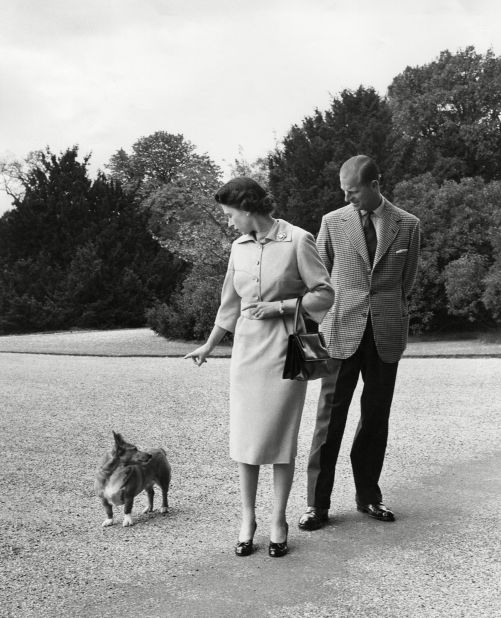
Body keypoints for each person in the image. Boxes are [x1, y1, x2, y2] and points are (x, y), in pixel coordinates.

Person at [185, 177, 333, 557]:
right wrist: (208, 345)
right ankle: (247, 519)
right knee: (246, 441)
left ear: (248, 209)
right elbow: (229, 305)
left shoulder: (298, 240)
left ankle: (278, 519)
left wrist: (282, 307)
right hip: (247, 354)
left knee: (281, 441)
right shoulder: (238, 247)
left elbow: (324, 293)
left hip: (285, 351)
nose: (229, 221)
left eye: (230, 214)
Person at [299, 155, 420, 530]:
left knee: (375, 419)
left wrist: (386, 310)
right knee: (328, 421)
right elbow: (318, 282)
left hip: (385, 335)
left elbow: (407, 281)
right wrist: (316, 335)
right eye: (345, 192)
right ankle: (317, 505)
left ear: (375, 185)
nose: (348, 198)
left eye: (353, 192)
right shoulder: (332, 223)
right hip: (340, 333)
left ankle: (369, 497)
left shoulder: (408, 225)